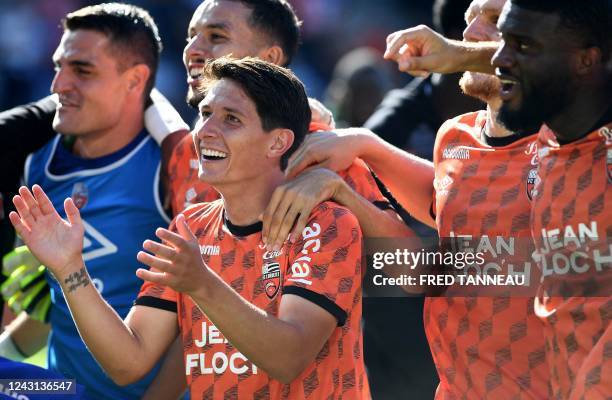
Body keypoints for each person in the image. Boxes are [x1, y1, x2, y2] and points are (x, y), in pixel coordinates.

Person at [10, 57, 371, 399]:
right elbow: (128, 363)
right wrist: (70, 268)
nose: (205, 132)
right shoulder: (191, 226)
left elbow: (288, 358)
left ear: (277, 142)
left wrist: (200, 283)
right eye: (205, 114)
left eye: (231, 119)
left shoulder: (327, 224)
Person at [266, 0, 556, 398]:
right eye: (469, 25)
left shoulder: (572, 145)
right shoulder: (456, 136)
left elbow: (458, 269)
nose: (469, 36)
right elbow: (445, 217)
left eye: (493, 22)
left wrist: (349, 187)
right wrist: (363, 148)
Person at [0, 4, 181, 399]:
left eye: (82, 70)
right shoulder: (36, 165)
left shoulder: (172, 172)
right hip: (60, 389)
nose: (58, 86)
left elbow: (196, 324)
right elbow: (59, 311)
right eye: (58, 67)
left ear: (136, 81)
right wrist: (6, 354)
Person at [492, 0, 612, 398]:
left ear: (586, 60)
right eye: (502, 39)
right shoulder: (545, 135)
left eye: (522, 46)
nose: (498, 58)